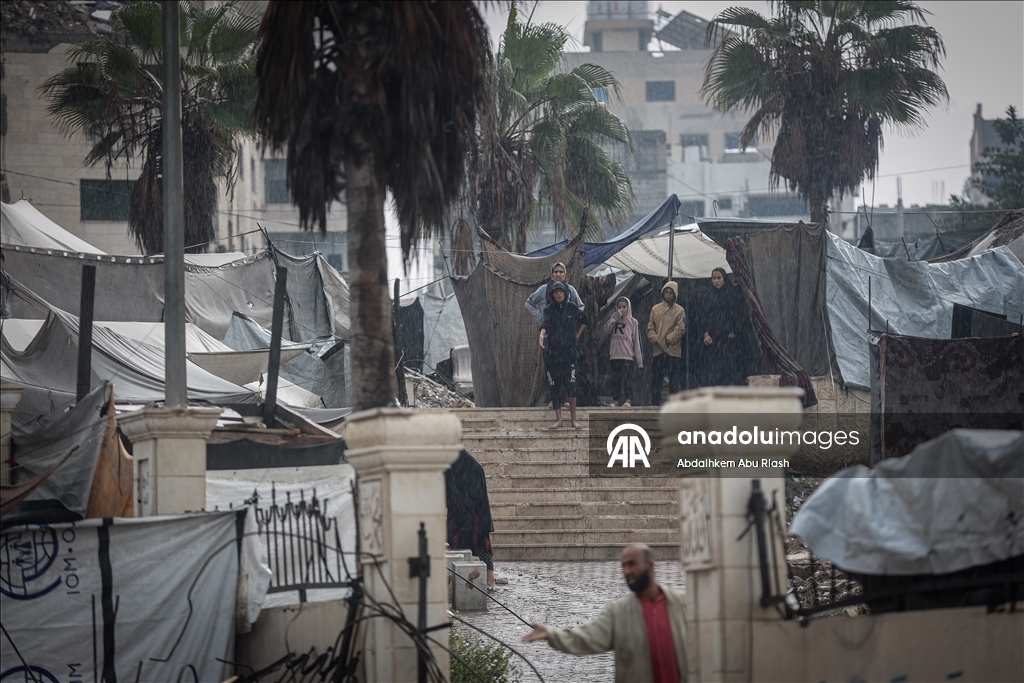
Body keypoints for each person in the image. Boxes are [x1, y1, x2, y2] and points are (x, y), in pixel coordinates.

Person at [522, 544, 688, 683]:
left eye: (632, 564)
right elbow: (587, 637)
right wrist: (550, 634)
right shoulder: (618, 612)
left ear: (650, 565)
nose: (626, 571)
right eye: (623, 566)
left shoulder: (684, 603)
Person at [539, 282, 589, 429]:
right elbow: (545, 324)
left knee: (571, 386)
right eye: (556, 292)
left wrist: (577, 336)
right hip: (552, 355)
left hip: (569, 354)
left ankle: (573, 420)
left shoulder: (572, 308)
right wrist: (541, 336)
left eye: (561, 291)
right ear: (552, 294)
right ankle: (559, 420)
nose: (558, 294)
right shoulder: (548, 310)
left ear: (566, 293)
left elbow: (585, 320)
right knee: (554, 387)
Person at [445, 449, 497, 589]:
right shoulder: (450, 461)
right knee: (459, 537)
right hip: (460, 499)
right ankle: (463, 577)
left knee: (480, 538)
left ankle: (489, 578)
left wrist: (464, 511)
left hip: (473, 502)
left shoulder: (469, 467)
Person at [701, 267, 746, 386]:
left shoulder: (732, 294)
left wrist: (735, 330)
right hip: (713, 340)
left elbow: (738, 313)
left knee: (730, 369)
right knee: (714, 370)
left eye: (719, 278)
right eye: (714, 278)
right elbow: (704, 316)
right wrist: (705, 334)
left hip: (729, 340)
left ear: (724, 278)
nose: (716, 281)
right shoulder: (708, 297)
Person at [646, 281, 686, 405]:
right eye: (666, 292)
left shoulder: (679, 310)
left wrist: (668, 340)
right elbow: (650, 327)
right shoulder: (655, 309)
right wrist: (656, 339)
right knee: (657, 378)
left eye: (671, 293)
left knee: (674, 379)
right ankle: (655, 403)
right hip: (658, 349)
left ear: (675, 295)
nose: (668, 295)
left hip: (673, 349)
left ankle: (673, 404)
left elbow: (680, 328)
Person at [603, 296, 643, 407]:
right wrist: (614, 318)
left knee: (627, 380)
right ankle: (615, 400)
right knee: (616, 380)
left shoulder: (633, 322)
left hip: (627, 356)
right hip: (615, 355)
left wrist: (639, 361)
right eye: (619, 307)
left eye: (624, 307)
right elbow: (606, 330)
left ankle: (628, 400)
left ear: (628, 307)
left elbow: (636, 342)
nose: (621, 309)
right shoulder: (613, 320)